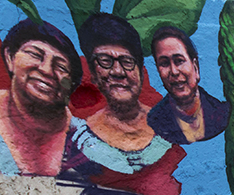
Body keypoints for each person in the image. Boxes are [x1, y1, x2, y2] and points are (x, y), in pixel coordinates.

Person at [0, 19, 83, 176]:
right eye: (35, 54)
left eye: (61, 67)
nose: (46, 70)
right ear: (10, 57)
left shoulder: (83, 141)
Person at [71, 13, 172, 174]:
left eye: (127, 61)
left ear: (140, 71)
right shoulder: (82, 138)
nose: (118, 71)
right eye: (105, 60)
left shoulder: (170, 129)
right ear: (93, 73)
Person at [147, 25, 229, 144]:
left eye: (179, 61)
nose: (174, 72)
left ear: (195, 67)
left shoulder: (222, 114)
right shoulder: (154, 123)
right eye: (164, 63)